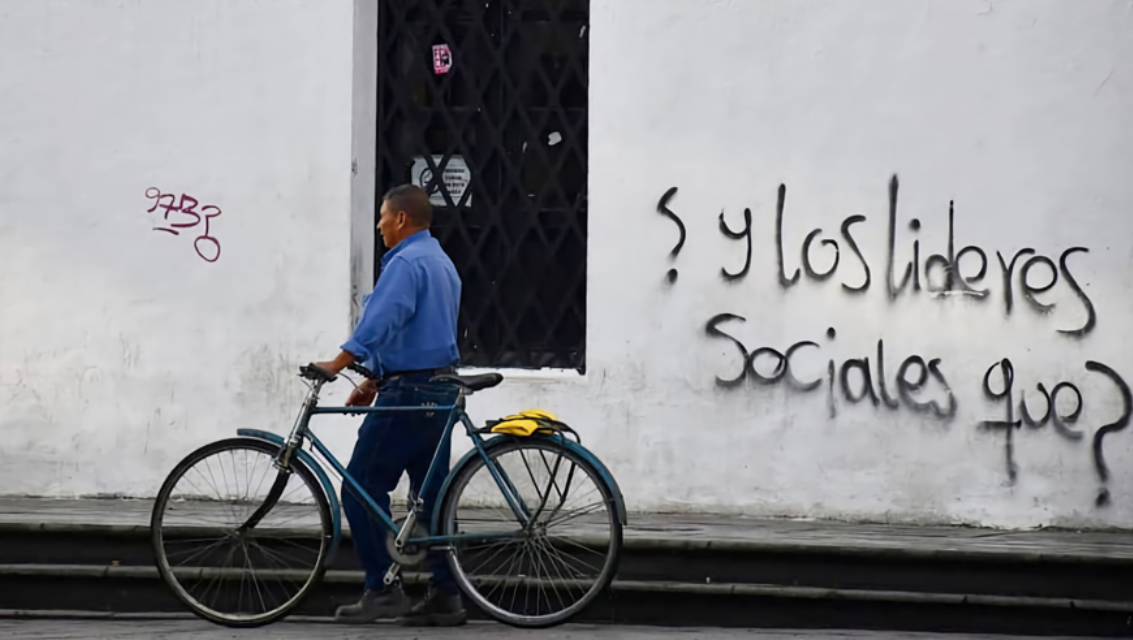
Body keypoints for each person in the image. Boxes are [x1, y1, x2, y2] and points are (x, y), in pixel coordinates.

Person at [313, 184, 465, 627]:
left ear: (400, 219)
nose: (378, 225)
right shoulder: (441, 262)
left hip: (411, 394)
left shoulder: (405, 263)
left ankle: (381, 587)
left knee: (360, 485)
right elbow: (421, 330)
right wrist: (376, 379)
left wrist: (339, 362)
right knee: (430, 495)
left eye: (382, 217)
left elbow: (384, 320)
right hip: (437, 389)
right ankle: (444, 592)